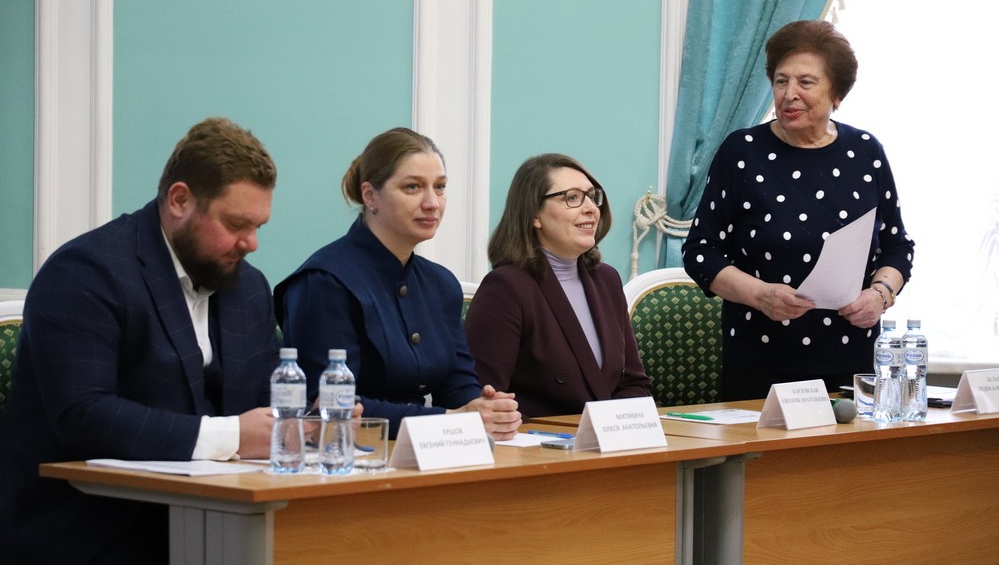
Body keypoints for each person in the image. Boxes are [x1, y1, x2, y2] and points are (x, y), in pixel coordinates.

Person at [0, 117, 286, 564]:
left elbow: (267, 401)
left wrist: (310, 421)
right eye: (235, 224)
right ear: (179, 200)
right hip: (92, 529)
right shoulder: (86, 273)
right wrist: (231, 435)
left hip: (221, 520)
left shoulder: (248, 288)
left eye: (258, 227)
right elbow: (83, 414)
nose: (250, 243)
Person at [682, 20, 915, 400]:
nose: (789, 94)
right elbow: (700, 251)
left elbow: (897, 247)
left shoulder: (866, 152)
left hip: (853, 362)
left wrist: (880, 295)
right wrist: (760, 295)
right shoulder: (742, 151)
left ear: (836, 93)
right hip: (759, 362)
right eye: (780, 81)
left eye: (805, 82)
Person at [274, 128, 521, 440]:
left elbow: (456, 385)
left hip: (425, 449)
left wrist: (484, 408)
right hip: (347, 453)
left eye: (440, 187)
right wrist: (451, 419)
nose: (432, 203)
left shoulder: (441, 284)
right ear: (370, 196)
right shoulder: (325, 280)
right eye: (412, 187)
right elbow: (329, 405)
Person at [464, 154, 653, 420]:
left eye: (592, 197)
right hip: (536, 441)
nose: (590, 208)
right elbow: (485, 402)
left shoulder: (607, 279)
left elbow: (634, 383)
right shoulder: (506, 287)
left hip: (605, 439)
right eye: (572, 198)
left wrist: (612, 429)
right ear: (534, 215)